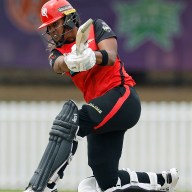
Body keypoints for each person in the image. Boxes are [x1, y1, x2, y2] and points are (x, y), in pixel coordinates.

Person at [24, 0, 179, 192]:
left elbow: (110, 55)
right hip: (102, 110)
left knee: (73, 120)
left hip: (122, 97)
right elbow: (58, 64)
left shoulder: (96, 26)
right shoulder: (57, 51)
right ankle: (160, 181)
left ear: (70, 18)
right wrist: (72, 60)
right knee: (106, 182)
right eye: (49, 27)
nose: (52, 31)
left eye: (55, 24)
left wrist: (91, 56)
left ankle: (46, 184)